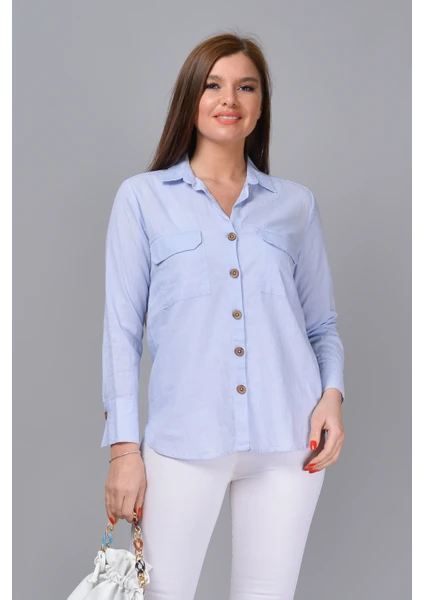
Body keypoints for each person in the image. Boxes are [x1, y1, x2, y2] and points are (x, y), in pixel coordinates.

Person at [100, 32, 345, 600]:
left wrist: (332, 396)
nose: (229, 99)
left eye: (246, 87)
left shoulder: (295, 204)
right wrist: (124, 450)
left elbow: (321, 326)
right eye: (213, 85)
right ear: (190, 97)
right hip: (184, 439)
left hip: (289, 440)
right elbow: (120, 333)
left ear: (260, 106)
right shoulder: (142, 199)